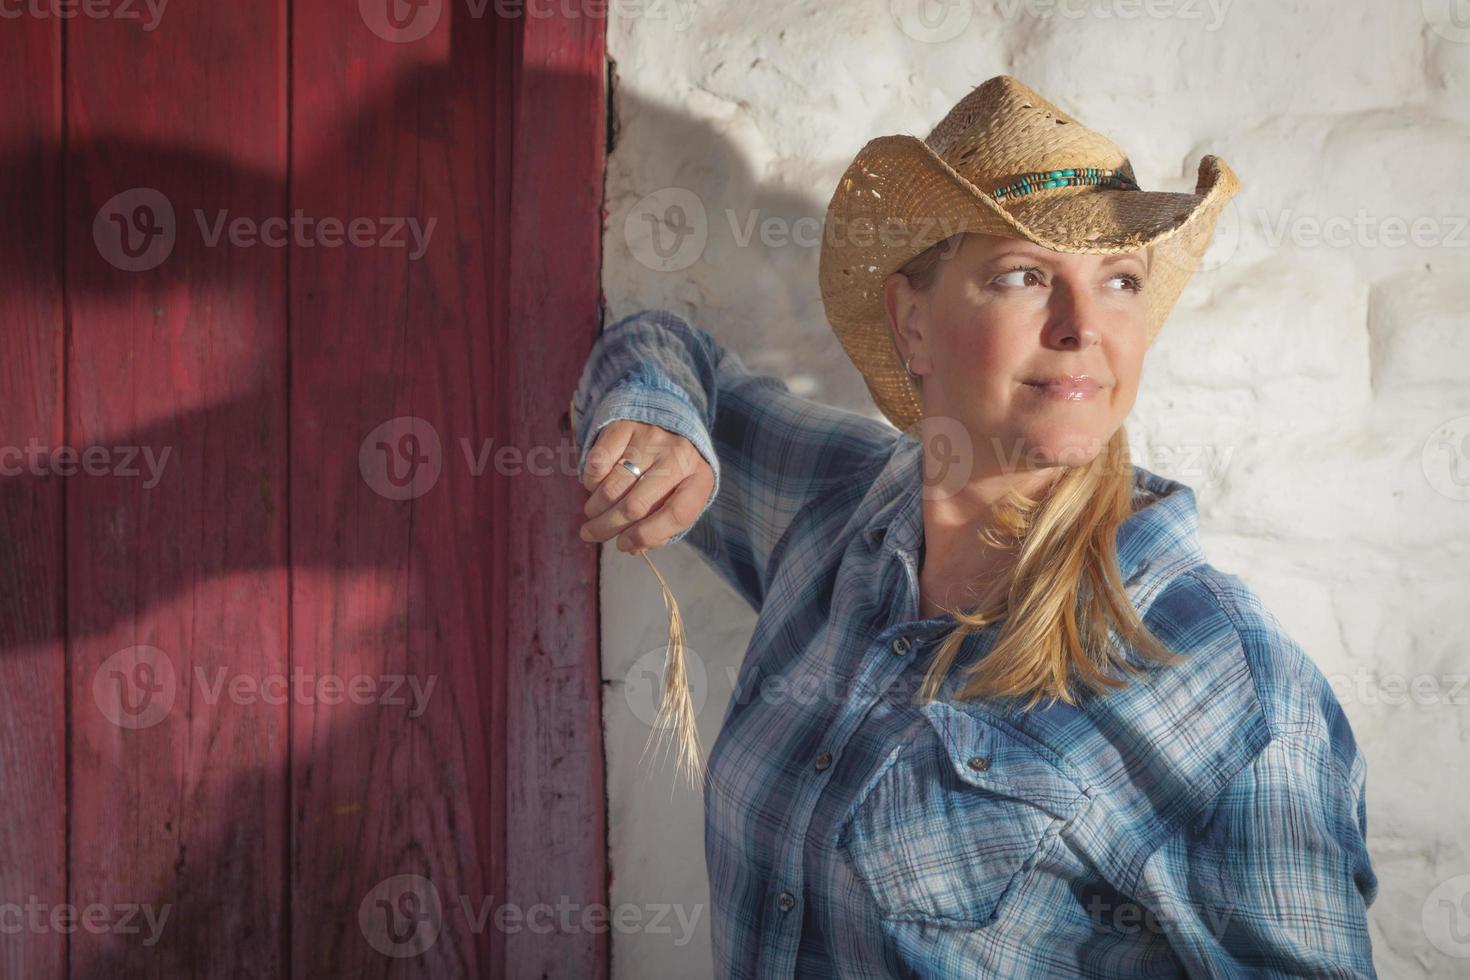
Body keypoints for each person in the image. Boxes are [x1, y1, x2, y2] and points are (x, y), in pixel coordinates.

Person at [569, 75, 1378, 978]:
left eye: (1119, 281)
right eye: (1025, 275)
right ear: (913, 325)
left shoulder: (1225, 678)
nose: (1083, 329)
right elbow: (664, 349)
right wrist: (657, 421)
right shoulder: (834, 509)